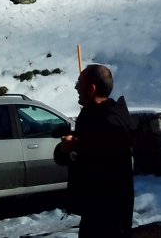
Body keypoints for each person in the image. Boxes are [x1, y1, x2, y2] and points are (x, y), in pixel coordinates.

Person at [54, 64, 134, 237]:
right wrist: (67, 149)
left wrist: (75, 148)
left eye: (79, 84)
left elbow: (105, 165)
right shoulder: (93, 116)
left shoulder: (111, 121)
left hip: (110, 216)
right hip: (95, 212)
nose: (76, 88)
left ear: (91, 88)